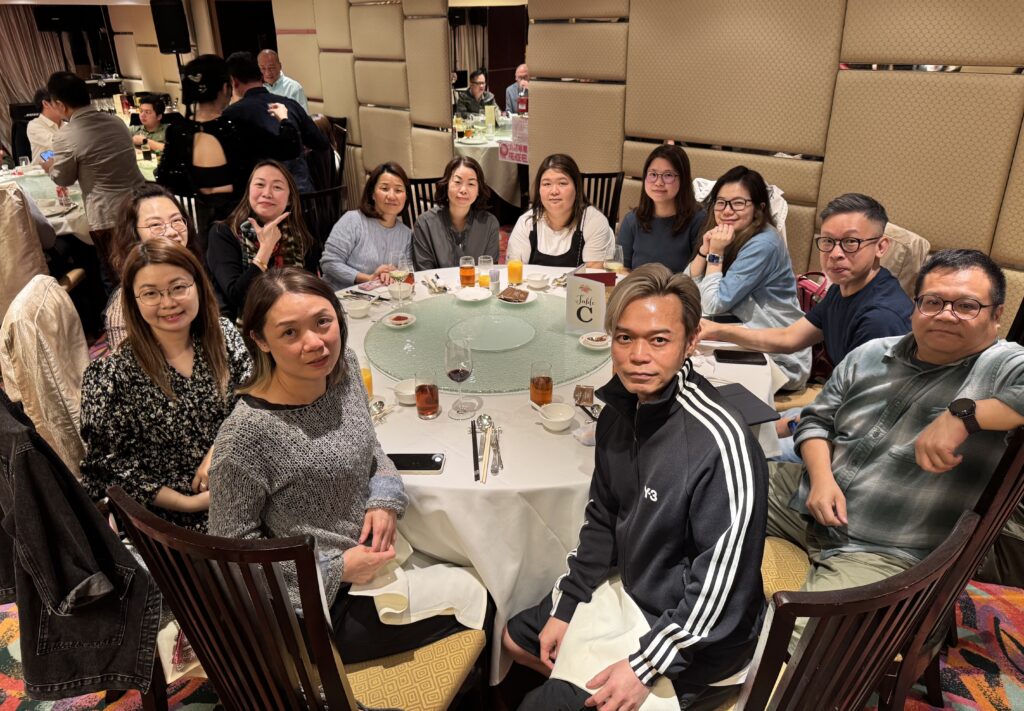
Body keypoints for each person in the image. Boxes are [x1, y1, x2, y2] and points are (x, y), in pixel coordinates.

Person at [503, 263, 767, 711]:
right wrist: (567, 606)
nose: (638, 356)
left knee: (540, 705)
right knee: (514, 638)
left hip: (698, 639)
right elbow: (604, 518)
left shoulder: (720, 442)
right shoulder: (619, 410)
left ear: (691, 342)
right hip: (634, 589)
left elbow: (723, 587)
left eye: (659, 340)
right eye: (625, 338)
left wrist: (645, 666)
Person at [208, 268, 468, 662]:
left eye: (323, 322)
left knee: (475, 563)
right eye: (289, 333)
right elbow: (232, 556)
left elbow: (369, 445)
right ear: (260, 340)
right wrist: (334, 568)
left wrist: (383, 497)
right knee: (480, 598)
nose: (315, 343)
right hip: (316, 609)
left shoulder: (342, 368)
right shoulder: (246, 436)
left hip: (376, 558)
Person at [768, 249, 1024, 641]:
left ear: (996, 314)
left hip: (885, 549)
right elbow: (817, 420)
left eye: (966, 306)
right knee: (704, 482)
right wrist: (821, 479)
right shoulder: (872, 355)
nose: (946, 314)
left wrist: (964, 414)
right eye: (933, 302)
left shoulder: (1002, 365)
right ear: (916, 305)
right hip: (808, 503)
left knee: (798, 652)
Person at [701, 193, 914, 444]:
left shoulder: (880, 319)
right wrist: (717, 331)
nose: (835, 253)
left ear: (881, 246)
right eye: (828, 241)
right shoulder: (844, 288)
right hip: (835, 406)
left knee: (741, 443)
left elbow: (863, 410)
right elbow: (789, 337)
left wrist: (788, 426)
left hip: (861, 436)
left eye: (851, 242)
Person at [80, 241, 252, 532]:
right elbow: (110, 469)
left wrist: (220, 446)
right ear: (133, 301)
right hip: (173, 522)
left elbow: (253, 398)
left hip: (243, 481)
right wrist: (190, 503)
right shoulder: (111, 376)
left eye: (178, 287)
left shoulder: (224, 336)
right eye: (151, 293)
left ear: (198, 286)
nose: (168, 302)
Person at [687, 166, 810, 391]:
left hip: (781, 359)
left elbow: (712, 304)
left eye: (738, 203)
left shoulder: (764, 243)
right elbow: (686, 289)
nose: (727, 210)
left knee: (688, 376)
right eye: (721, 202)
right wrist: (704, 251)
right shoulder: (728, 236)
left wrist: (716, 254)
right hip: (742, 337)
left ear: (759, 208)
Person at [45, 71, 145, 291]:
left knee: (115, 278)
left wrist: (50, 167)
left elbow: (64, 178)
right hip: (139, 205)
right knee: (143, 265)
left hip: (107, 215)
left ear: (60, 104)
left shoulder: (66, 135)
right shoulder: (117, 122)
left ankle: (122, 312)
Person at [207, 160, 318, 319]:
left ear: (289, 199)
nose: (267, 193)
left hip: (295, 315)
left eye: (277, 187)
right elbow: (236, 296)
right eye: (260, 185)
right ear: (248, 191)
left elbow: (310, 286)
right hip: (245, 325)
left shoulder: (299, 233)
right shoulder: (223, 232)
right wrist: (266, 248)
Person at [105, 184, 207, 349]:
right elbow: (128, 359)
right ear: (134, 234)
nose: (172, 231)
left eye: (176, 220)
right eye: (155, 225)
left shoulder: (194, 272)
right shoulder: (124, 303)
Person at [224, 51, 327, 193]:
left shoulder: (232, 114)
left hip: (261, 198)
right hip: (301, 195)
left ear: (234, 82)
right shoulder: (290, 105)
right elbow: (321, 143)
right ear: (261, 76)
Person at [506, 153, 615, 268]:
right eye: (546, 184)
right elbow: (514, 270)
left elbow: (594, 274)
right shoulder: (526, 222)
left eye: (562, 183)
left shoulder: (593, 221)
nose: (554, 191)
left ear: (577, 187)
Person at [320, 162, 412, 290]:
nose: (391, 196)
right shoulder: (352, 220)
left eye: (398, 190)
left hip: (381, 297)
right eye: (384, 189)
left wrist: (391, 274)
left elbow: (407, 271)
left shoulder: (406, 234)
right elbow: (329, 263)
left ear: (406, 196)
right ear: (372, 193)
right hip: (339, 294)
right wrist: (368, 278)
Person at [618, 144, 705, 273]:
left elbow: (700, 275)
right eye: (653, 174)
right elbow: (622, 270)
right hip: (638, 286)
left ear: (683, 179)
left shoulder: (698, 220)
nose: (658, 183)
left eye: (668, 175)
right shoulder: (631, 220)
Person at [411, 156, 499, 270]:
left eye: (471, 184)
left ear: (478, 190)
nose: (463, 190)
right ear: (446, 185)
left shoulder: (489, 224)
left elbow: (489, 271)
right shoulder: (425, 224)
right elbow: (424, 273)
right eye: (457, 182)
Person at [26, 88, 63, 165]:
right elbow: (58, 144)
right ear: (46, 104)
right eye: (59, 102)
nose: (65, 106)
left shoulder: (68, 124)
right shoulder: (34, 125)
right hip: (42, 172)